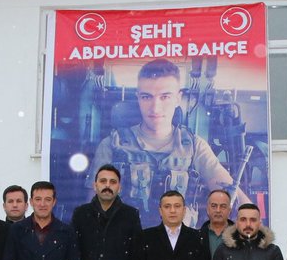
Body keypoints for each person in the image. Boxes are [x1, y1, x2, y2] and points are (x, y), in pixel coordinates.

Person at [92, 59, 245, 227]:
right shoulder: (112, 145)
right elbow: (92, 214)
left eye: (165, 97)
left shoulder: (194, 147)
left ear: (178, 98)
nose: (155, 107)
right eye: (146, 97)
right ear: (138, 98)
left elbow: (236, 199)